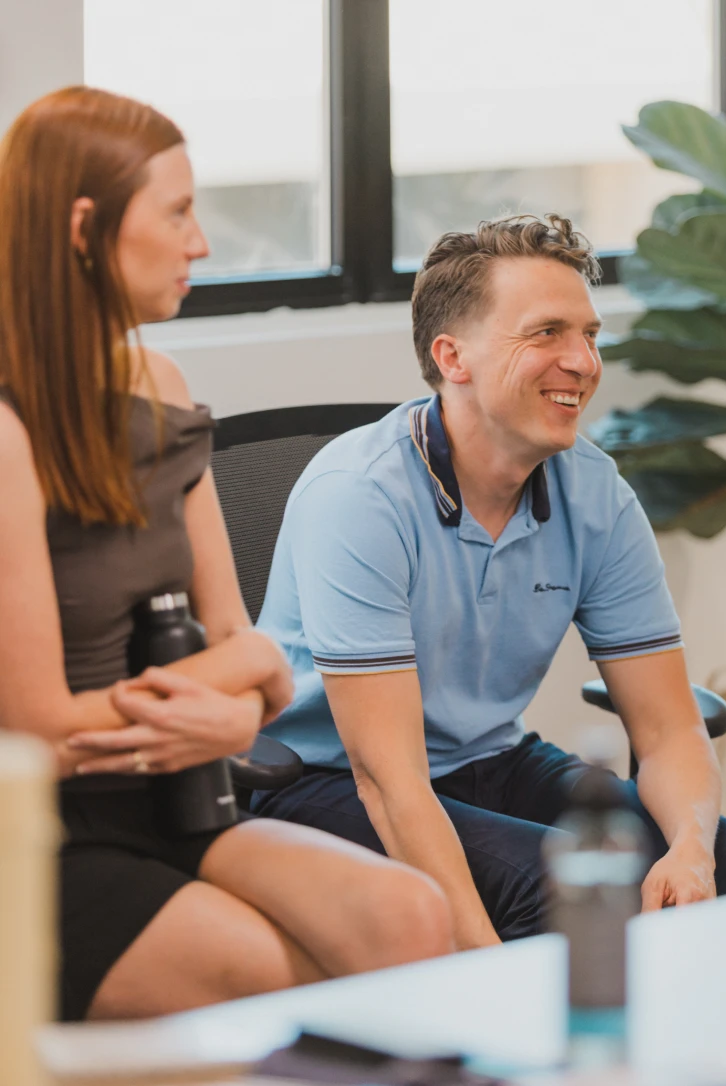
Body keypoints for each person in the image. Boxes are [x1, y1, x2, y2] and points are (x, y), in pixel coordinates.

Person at [0, 86, 453, 1023]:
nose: (200, 242)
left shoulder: (161, 389)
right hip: (41, 842)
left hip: (179, 804)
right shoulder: (8, 430)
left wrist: (227, 701)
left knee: (411, 915)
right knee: (271, 973)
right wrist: (224, 691)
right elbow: (40, 731)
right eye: (176, 212)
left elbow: (261, 661)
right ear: (86, 227)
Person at [256, 213, 726, 949]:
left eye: (589, 335)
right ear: (453, 357)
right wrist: (485, 972)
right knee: (569, 894)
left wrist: (691, 853)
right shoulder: (359, 495)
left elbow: (670, 728)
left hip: (491, 758)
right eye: (546, 333)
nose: (582, 361)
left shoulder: (595, 493)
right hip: (321, 783)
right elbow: (388, 781)